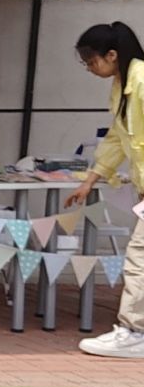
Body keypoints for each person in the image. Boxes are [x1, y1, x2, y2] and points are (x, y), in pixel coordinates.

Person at [69, 23, 144, 359]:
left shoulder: (140, 81)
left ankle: (135, 331)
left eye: (91, 61)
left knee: (139, 258)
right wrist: (91, 179)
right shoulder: (122, 85)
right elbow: (117, 137)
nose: (89, 68)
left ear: (112, 55)